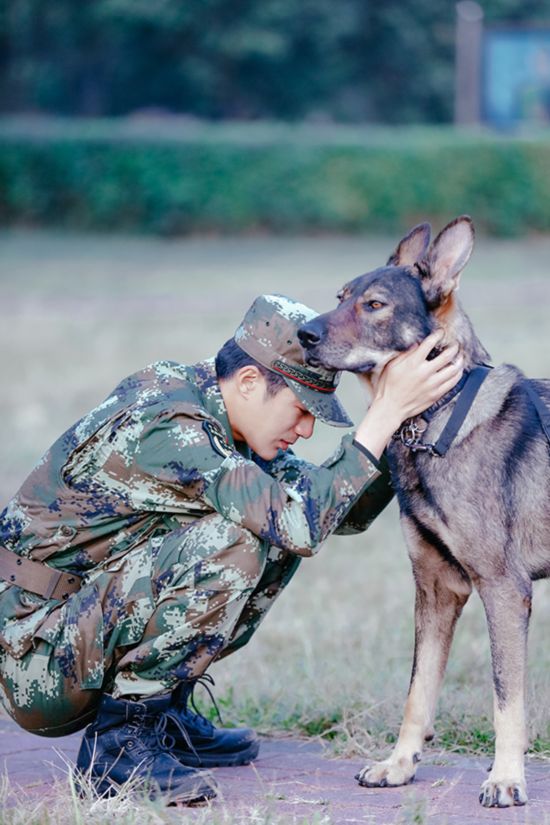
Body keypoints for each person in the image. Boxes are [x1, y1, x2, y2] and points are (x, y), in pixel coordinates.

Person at [0, 294, 461, 804]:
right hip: (34, 656)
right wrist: (384, 412)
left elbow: (333, 512)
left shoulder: (225, 418)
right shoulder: (171, 423)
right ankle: (119, 750)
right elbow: (299, 524)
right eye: (303, 409)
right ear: (248, 383)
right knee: (239, 539)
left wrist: (399, 425)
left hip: (74, 627)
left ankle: (161, 714)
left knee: (274, 526)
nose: (306, 428)